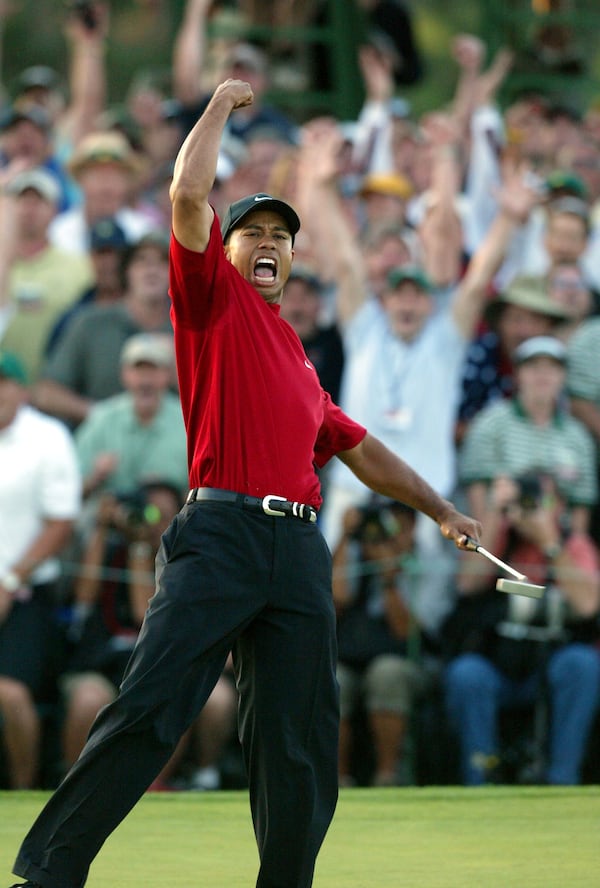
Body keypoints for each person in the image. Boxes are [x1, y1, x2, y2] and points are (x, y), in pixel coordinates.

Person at [8, 79, 481, 888]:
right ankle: (51, 871)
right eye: (251, 231)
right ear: (226, 251)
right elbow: (189, 192)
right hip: (220, 536)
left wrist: (439, 507)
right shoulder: (210, 302)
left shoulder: (298, 357)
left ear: (295, 260)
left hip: (297, 548)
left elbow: (358, 448)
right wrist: (223, 103)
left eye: (280, 236)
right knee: (152, 709)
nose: (266, 242)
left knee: (299, 734)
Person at [444, 335, 600, 786]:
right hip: (497, 640)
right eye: (533, 366)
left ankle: (561, 781)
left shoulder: (575, 439)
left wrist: (550, 540)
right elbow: (469, 582)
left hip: (553, 641)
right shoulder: (492, 427)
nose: (543, 376)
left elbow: (589, 603)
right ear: (518, 374)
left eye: (553, 367)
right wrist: (499, 511)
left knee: (584, 665)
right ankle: (479, 782)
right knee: (467, 675)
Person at [0, 350, 81, 789]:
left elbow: (61, 522)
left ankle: (23, 790)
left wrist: (11, 582)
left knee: (10, 694)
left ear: (22, 389)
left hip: (30, 594)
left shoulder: (47, 437)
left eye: (3, 382)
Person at [332, 498, 431, 787]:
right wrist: (346, 536)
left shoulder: (425, 562)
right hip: (352, 658)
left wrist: (389, 581)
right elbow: (336, 599)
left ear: (412, 528)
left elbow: (406, 633)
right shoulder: (355, 557)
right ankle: (336, 781)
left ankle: (387, 777)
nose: (384, 537)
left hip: (409, 661)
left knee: (386, 673)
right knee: (332, 679)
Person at [32, 231, 172, 428]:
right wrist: (98, 415)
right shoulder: (91, 323)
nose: (152, 269)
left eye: (163, 262)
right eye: (141, 261)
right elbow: (45, 393)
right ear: (126, 272)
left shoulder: (191, 330)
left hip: (173, 447)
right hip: (101, 447)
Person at [74, 331, 188, 504]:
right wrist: (95, 478)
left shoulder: (187, 422)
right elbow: (68, 490)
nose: (145, 381)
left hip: (172, 523)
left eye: (153, 370)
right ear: (124, 374)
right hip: (108, 522)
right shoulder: (102, 418)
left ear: (168, 374)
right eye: (138, 371)